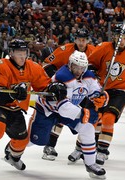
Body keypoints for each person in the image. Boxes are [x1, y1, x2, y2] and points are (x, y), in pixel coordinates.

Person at [0, 39, 51, 180]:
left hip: (15, 109)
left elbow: (44, 86)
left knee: (22, 141)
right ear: (11, 53)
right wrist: (14, 93)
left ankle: (12, 157)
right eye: (19, 53)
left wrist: (54, 88)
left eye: (24, 52)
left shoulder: (33, 67)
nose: (22, 56)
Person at [68, 24, 125, 165]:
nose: (120, 40)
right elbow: (90, 64)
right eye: (117, 37)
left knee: (109, 118)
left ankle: (102, 151)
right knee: (91, 118)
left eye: (122, 37)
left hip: (119, 91)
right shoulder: (104, 47)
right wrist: (94, 74)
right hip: (100, 89)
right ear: (113, 37)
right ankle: (80, 148)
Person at [27, 51, 107, 179]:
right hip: (48, 111)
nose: (78, 70)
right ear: (70, 65)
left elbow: (96, 91)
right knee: (35, 140)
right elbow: (63, 108)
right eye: (76, 66)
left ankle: (91, 164)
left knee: (87, 129)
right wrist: (82, 112)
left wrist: (101, 97)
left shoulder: (89, 77)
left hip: (66, 110)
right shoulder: (63, 76)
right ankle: (13, 149)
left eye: (82, 67)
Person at [41, 28, 95, 160]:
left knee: (90, 118)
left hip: (82, 89)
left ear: (88, 40)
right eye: (79, 40)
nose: (81, 43)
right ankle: (50, 146)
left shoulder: (95, 51)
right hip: (64, 89)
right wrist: (55, 81)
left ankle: (81, 149)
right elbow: (46, 64)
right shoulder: (64, 50)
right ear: (74, 39)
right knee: (60, 116)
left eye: (84, 40)